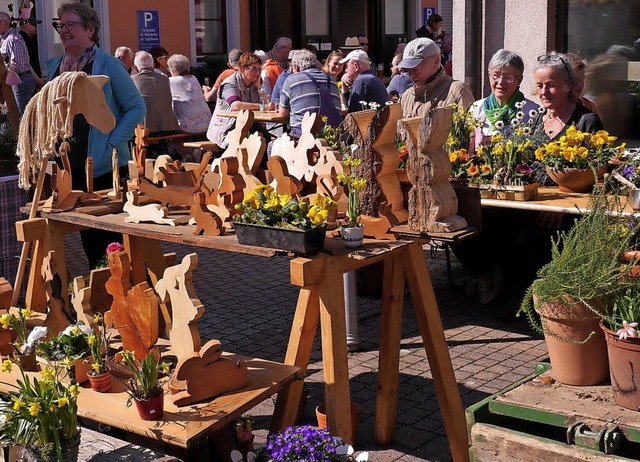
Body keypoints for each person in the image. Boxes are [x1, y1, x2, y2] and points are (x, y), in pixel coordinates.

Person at [47, 2, 145, 268]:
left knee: (110, 242)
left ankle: (129, 298)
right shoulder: (56, 67)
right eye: (61, 25)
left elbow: (137, 107)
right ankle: (105, 296)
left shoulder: (108, 65)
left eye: (70, 24)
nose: (64, 30)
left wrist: (112, 143)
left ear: (90, 29)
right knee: (90, 240)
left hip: (103, 168)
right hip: (70, 167)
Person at [470, 49, 539, 150]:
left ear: (519, 80)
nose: (500, 82)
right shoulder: (477, 108)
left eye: (508, 77)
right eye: (496, 76)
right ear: (489, 75)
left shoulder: (532, 112)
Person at [530, 52, 602, 142]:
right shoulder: (534, 120)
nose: (544, 92)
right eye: (540, 86)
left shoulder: (586, 121)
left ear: (568, 85)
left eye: (550, 85)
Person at [398, 37, 474, 118]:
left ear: (436, 61)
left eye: (416, 67)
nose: (411, 75)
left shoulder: (456, 92)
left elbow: (469, 128)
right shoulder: (406, 97)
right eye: (408, 70)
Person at [206, 52, 268, 149]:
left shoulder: (252, 85)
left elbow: (262, 102)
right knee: (256, 143)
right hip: (227, 129)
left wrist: (259, 88)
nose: (257, 72)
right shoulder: (229, 83)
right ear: (243, 68)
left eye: (259, 69)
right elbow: (236, 106)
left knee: (265, 141)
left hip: (247, 125)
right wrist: (263, 106)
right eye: (254, 69)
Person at [278, 49, 342, 139]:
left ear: (296, 67)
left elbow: (283, 113)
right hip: (331, 135)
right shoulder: (331, 79)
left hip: (303, 135)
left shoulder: (291, 79)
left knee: (271, 146)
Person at [132, 50, 180, 135]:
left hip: (146, 128)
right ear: (153, 65)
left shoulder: (132, 80)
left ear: (135, 68)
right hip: (168, 126)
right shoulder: (165, 79)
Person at [0, 12, 36, 114]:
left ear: (6, 23)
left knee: (21, 115)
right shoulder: (5, 39)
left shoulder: (12, 39)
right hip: (16, 82)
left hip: (20, 82)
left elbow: (17, 64)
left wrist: (3, 70)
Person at [167, 53, 211, 134]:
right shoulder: (194, 78)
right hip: (207, 124)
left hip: (189, 127)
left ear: (173, 69)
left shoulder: (171, 81)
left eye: (169, 69)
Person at [563, 52, 601, 118]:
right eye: (575, 80)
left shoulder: (590, 106)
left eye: (582, 79)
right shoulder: (556, 106)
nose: (581, 84)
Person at [18, 17, 44, 87]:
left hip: (31, 81)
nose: (36, 28)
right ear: (27, 24)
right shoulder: (22, 40)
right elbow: (27, 63)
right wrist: (38, 80)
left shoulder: (27, 39)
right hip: (28, 82)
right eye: (34, 25)